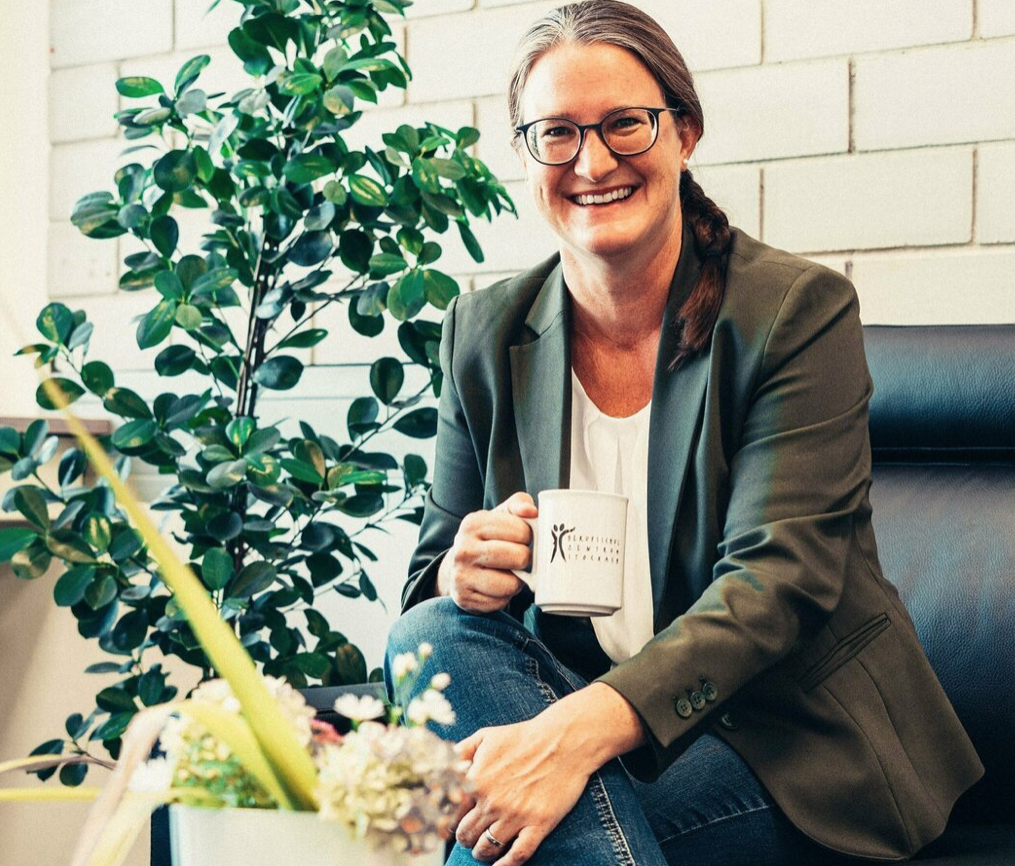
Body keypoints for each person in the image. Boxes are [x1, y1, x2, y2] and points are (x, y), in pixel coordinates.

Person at [383, 3, 984, 865]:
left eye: (624, 123)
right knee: (428, 635)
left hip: (786, 740)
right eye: (556, 134)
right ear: (524, 155)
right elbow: (423, 594)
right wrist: (461, 571)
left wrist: (572, 737)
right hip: (583, 717)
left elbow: (778, 583)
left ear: (683, 132)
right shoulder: (483, 330)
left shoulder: (792, 312)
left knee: (494, 845)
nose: (592, 161)